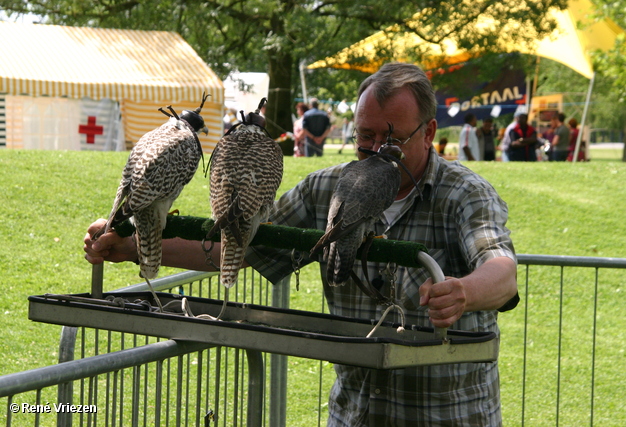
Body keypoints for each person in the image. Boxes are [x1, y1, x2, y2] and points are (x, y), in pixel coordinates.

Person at [84, 62, 518, 426]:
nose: (371, 149)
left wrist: (464, 292)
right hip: (356, 413)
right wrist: (133, 245)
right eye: (363, 136)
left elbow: (502, 271)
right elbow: (233, 248)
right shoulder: (329, 187)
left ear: (429, 133)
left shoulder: (464, 193)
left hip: (449, 415)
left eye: (389, 140)